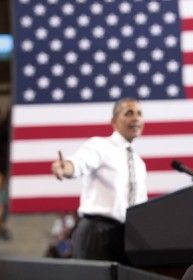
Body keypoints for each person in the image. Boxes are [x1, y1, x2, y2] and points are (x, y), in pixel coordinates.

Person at [51, 97, 147, 263]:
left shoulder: (139, 163)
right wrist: (65, 167)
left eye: (139, 113)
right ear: (114, 121)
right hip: (97, 232)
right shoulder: (100, 146)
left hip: (127, 236)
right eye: (129, 113)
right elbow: (79, 162)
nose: (136, 118)